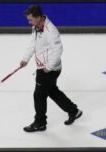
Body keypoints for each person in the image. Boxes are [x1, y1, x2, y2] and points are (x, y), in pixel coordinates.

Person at [19, 4, 81, 132]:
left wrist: (48, 67)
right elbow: (33, 43)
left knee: (39, 95)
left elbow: (58, 50)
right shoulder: (36, 27)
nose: (29, 22)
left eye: (30, 19)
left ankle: (40, 123)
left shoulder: (51, 31)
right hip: (44, 67)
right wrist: (25, 58)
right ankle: (73, 111)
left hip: (48, 69)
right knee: (52, 91)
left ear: (38, 17)